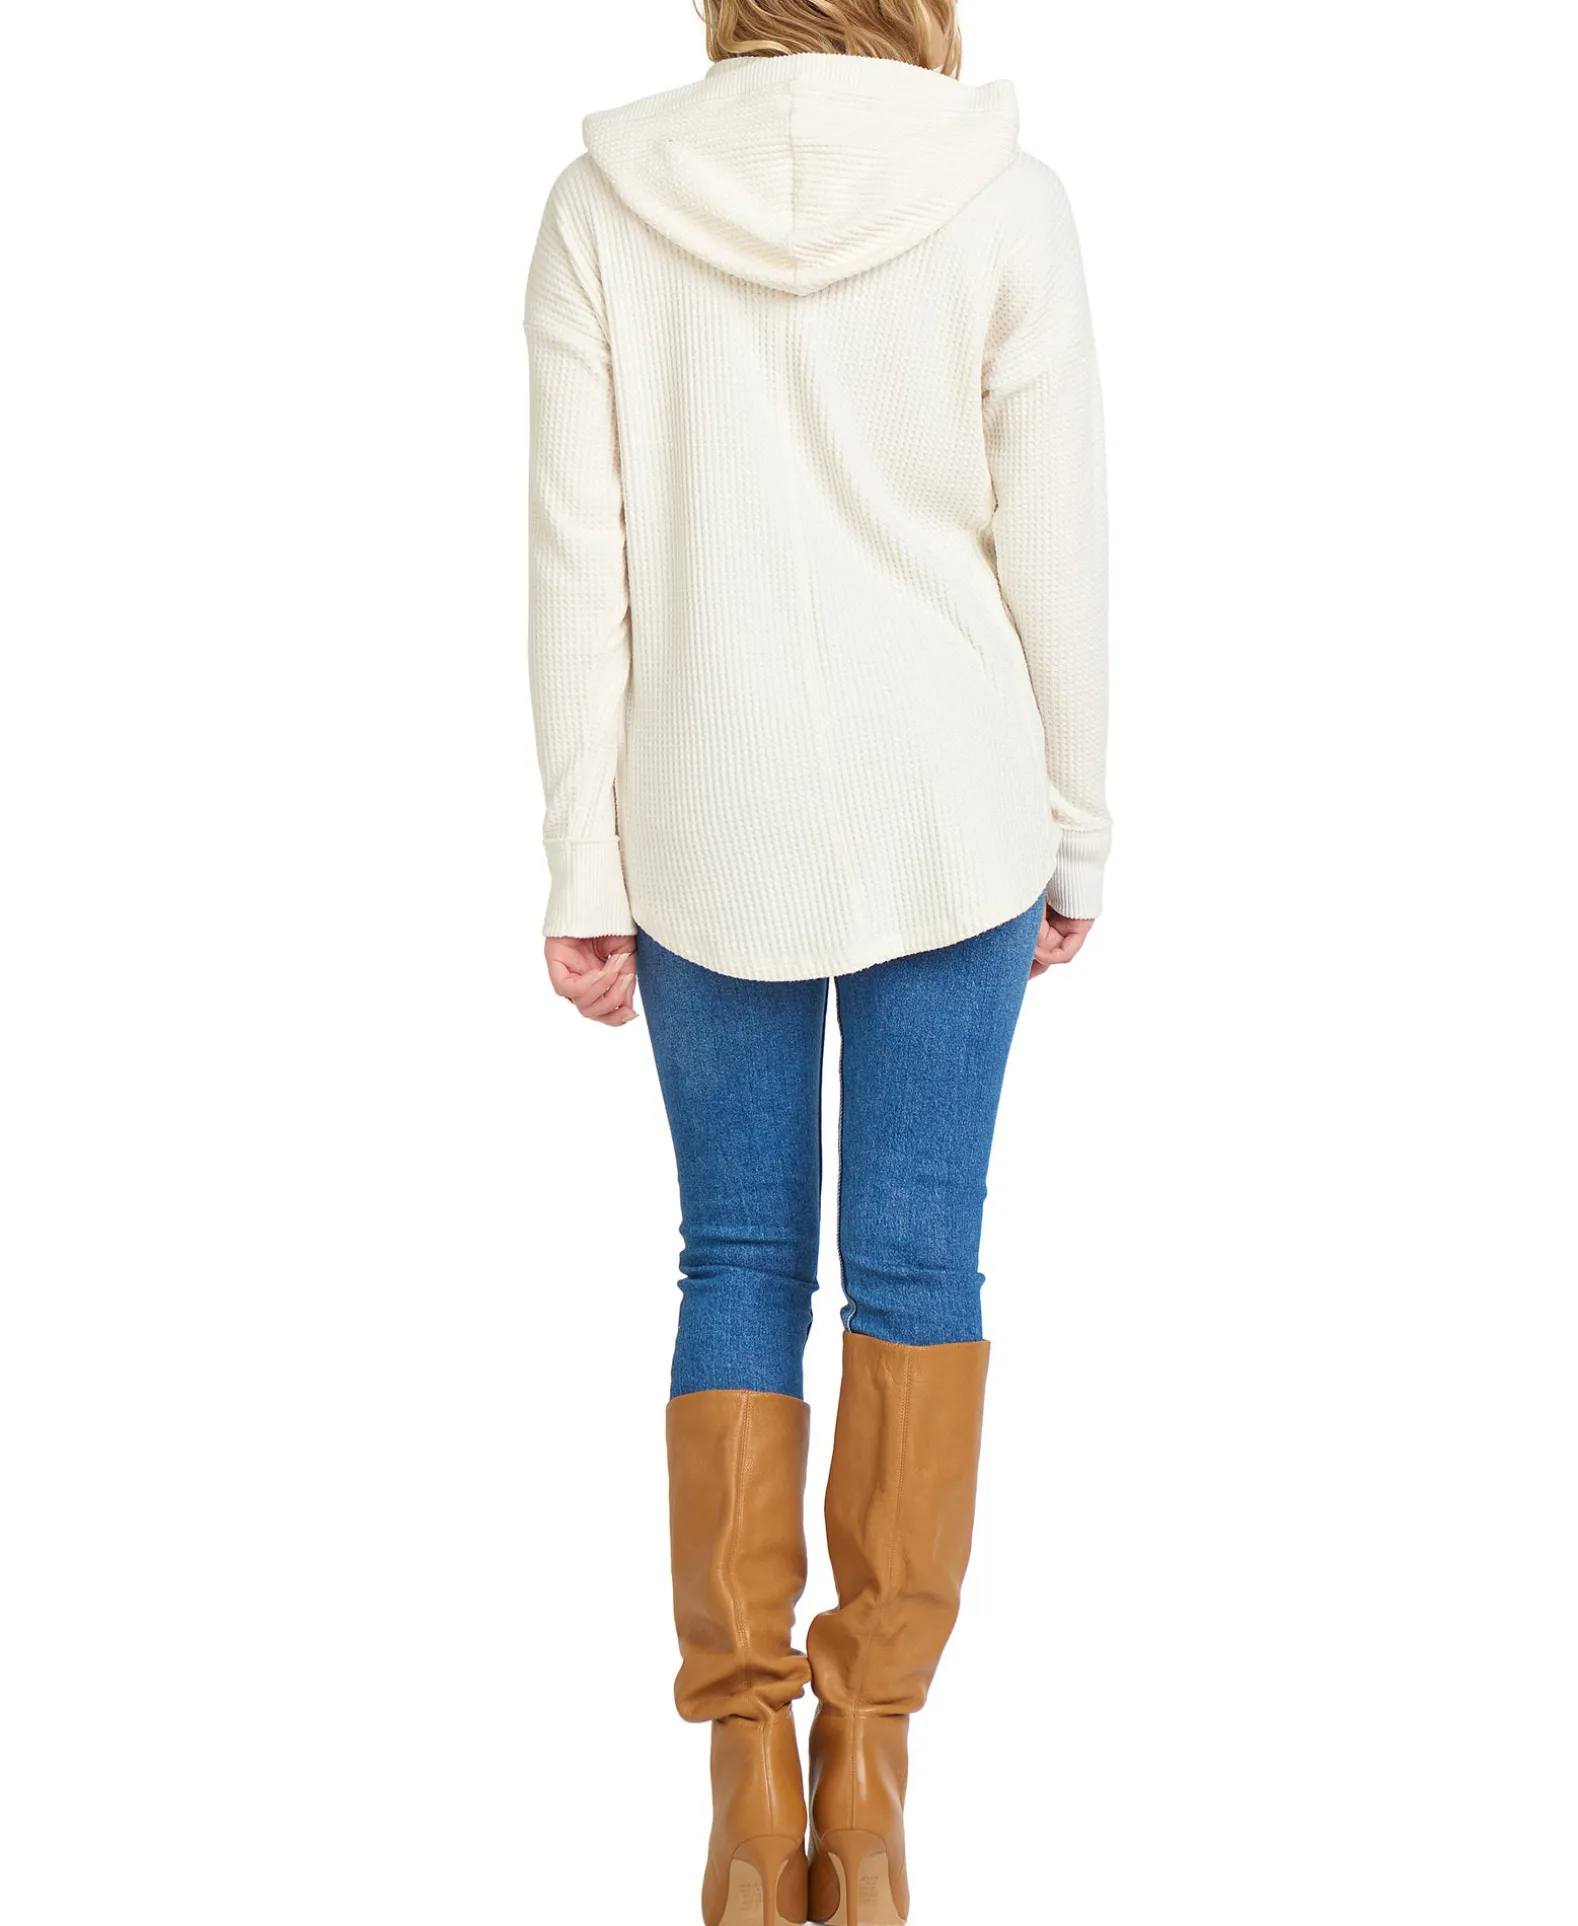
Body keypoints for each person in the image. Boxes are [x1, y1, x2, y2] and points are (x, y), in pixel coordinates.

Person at [523, 2, 1109, 1919]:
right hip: (952, 802)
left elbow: (581, 564)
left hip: (705, 811)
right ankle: (867, 1781)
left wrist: (581, 858)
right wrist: (1077, 825)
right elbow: (1056, 550)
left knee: (737, 1262)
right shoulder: (1003, 198)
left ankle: (743, 1793)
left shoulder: (603, 204)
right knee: (921, 1265)